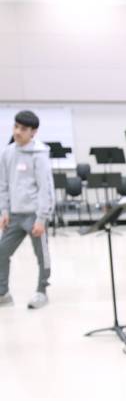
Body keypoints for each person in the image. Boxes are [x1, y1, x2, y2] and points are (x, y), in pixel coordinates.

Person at [0, 110, 55, 309]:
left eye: (23, 129)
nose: (17, 132)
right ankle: (3, 293)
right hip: (14, 215)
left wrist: (41, 218)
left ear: (33, 132)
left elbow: (45, 188)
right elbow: (3, 185)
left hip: (34, 215)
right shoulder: (7, 152)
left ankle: (42, 292)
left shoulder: (39, 154)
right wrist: (4, 212)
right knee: (2, 252)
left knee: (41, 256)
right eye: (16, 126)